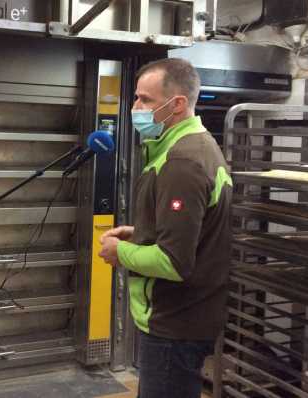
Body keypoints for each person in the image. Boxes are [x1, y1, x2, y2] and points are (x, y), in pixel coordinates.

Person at [99, 58, 233, 398]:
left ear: (177, 104)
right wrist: (139, 233)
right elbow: (191, 231)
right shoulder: (194, 147)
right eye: (136, 98)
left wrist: (121, 252)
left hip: (176, 323)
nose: (135, 108)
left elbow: (174, 262)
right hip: (185, 318)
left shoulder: (182, 162)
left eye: (146, 100)